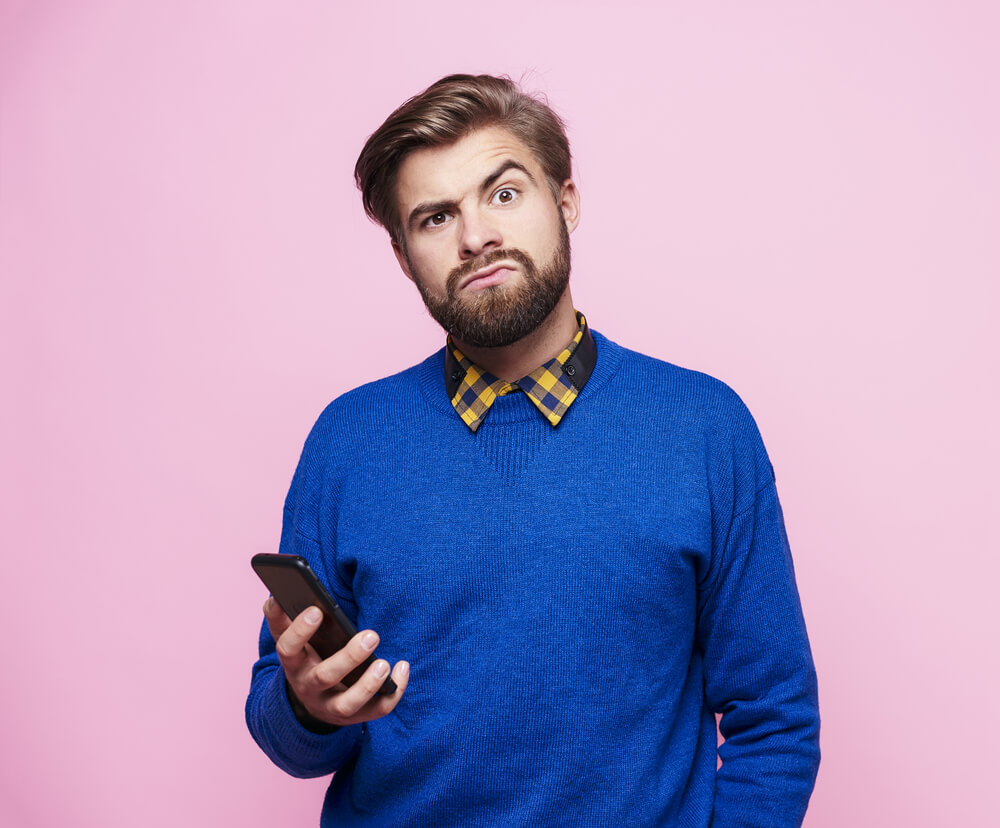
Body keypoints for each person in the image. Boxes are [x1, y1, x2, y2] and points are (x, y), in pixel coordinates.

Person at [246, 73, 820, 827]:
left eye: (504, 194)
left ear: (567, 202)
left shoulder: (704, 427)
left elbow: (775, 719)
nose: (476, 235)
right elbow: (286, 732)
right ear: (402, 255)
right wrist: (310, 705)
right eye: (435, 216)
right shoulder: (348, 440)